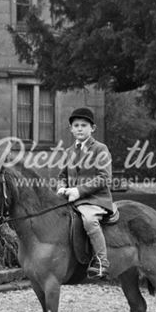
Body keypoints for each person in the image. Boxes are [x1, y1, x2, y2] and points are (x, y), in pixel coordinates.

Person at [56, 107, 113, 278]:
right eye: (76, 125)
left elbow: (104, 177)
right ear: (71, 129)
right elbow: (62, 175)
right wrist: (61, 187)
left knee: (89, 220)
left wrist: (78, 191)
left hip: (95, 199)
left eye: (84, 125)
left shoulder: (100, 149)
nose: (80, 128)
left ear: (92, 128)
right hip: (72, 200)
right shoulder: (68, 152)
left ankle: (102, 261)